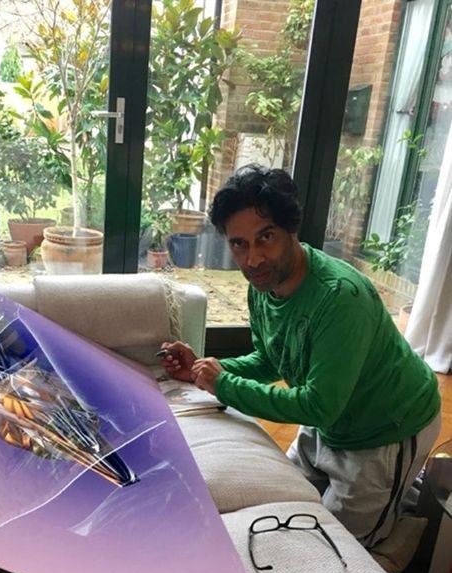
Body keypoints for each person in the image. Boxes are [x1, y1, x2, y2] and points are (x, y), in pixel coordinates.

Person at [161, 164, 441, 551]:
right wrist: (201, 369)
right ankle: (396, 497)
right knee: (288, 512)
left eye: (266, 237)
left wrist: (224, 384)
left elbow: (319, 405)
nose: (253, 259)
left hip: (386, 430)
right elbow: (271, 360)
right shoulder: (264, 285)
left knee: (340, 549)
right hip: (328, 422)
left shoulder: (340, 298)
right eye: (239, 244)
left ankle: (406, 520)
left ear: (291, 229)